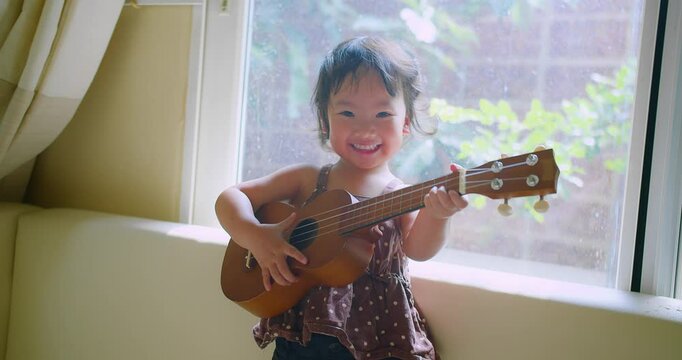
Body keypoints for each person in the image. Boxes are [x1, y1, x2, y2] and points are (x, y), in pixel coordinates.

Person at [215, 36, 468, 360]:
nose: (365, 129)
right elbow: (231, 197)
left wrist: (438, 214)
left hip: (375, 344)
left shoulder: (400, 196)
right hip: (300, 341)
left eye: (382, 115)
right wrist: (256, 237)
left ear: (404, 124)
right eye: (347, 112)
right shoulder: (308, 179)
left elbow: (419, 249)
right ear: (325, 120)